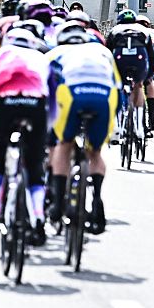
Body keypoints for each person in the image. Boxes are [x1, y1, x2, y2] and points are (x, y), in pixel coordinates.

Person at [0, 27, 50, 244]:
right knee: (35, 165)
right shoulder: (41, 58)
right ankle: (38, 216)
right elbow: (52, 99)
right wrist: (50, 130)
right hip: (35, 105)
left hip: (6, 104)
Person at [46, 23, 122, 234]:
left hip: (72, 96)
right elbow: (118, 89)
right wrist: (114, 119)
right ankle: (97, 199)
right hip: (103, 98)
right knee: (95, 152)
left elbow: (45, 90)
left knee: (64, 144)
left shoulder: (55, 53)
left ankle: (57, 205)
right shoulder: (103, 52)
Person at [105, 9, 154, 142]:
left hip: (120, 57)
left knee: (117, 87)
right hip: (139, 57)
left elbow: (107, 54)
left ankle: (116, 127)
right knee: (138, 86)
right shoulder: (144, 31)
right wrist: (148, 76)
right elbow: (152, 57)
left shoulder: (114, 30)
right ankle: (139, 127)